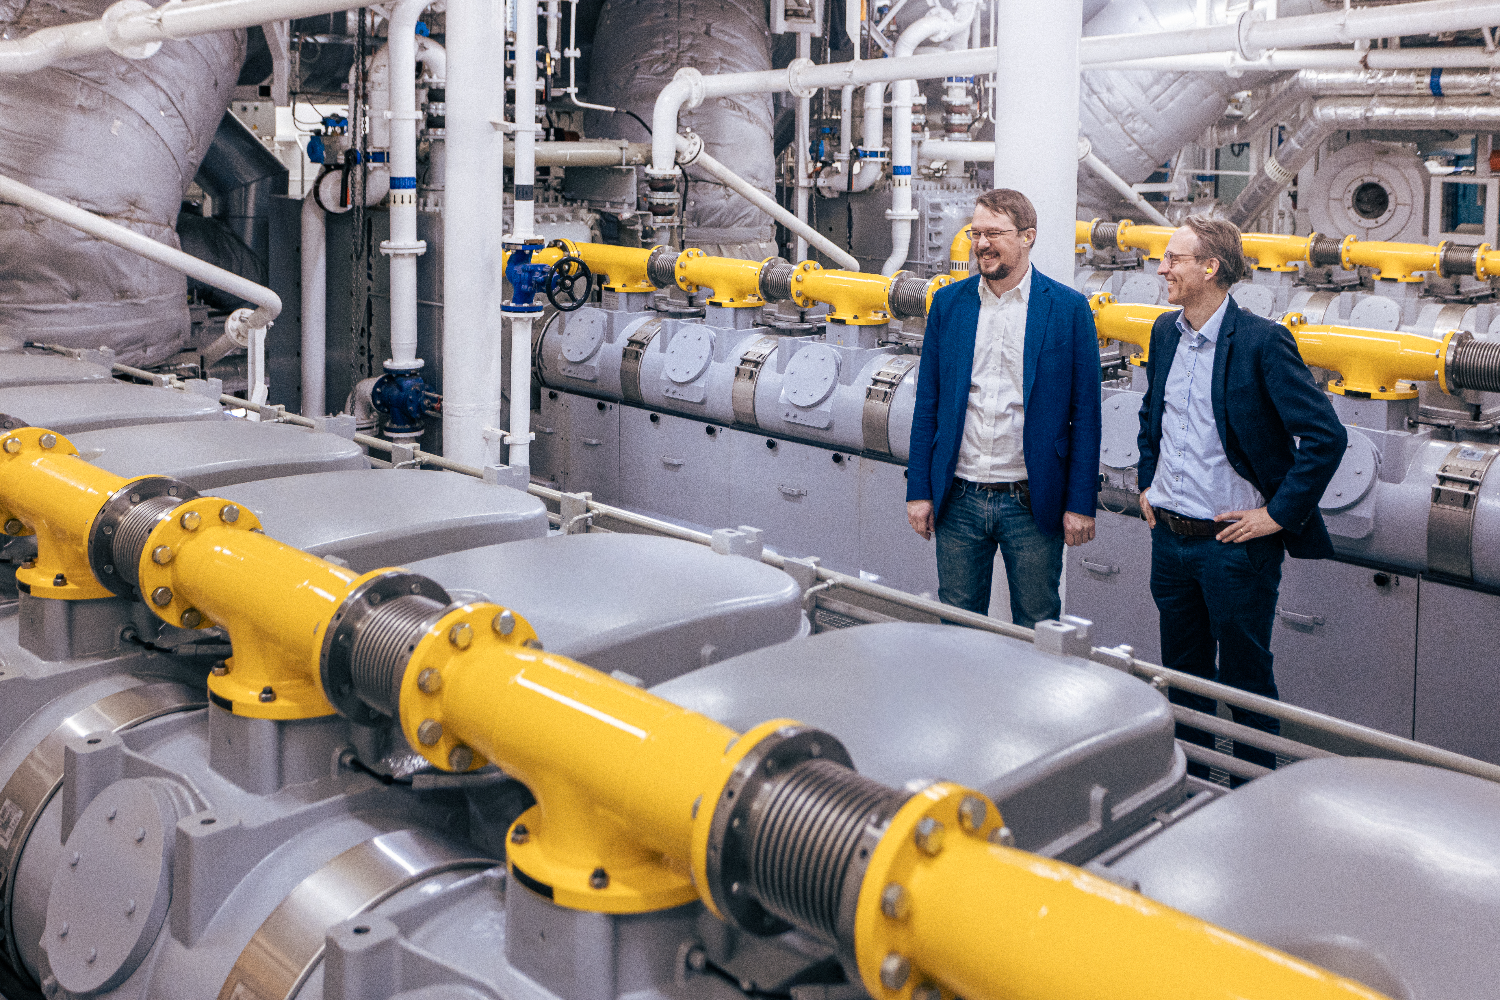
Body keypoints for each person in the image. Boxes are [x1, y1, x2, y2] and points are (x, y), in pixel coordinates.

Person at [1136, 216, 1347, 775]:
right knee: (1181, 679)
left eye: (1174, 259)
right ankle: (1191, 786)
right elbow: (1153, 412)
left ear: (1211, 268)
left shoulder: (1261, 341)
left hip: (1233, 547)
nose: (1162, 269)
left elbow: (1327, 436)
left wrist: (1276, 515)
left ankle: (1254, 791)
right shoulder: (1163, 333)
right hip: (1171, 540)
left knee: (1246, 681)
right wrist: (1147, 482)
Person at [905, 189, 1102, 628]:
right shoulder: (948, 305)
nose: (981, 244)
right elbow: (928, 405)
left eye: (994, 233)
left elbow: (1086, 415)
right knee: (958, 624)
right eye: (976, 233)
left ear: (1027, 236)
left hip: (1031, 501)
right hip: (958, 498)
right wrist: (919, 489)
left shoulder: (1068, 309)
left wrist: (1081, 503)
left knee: (1037, 623)